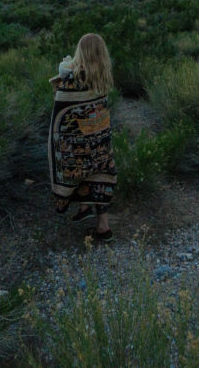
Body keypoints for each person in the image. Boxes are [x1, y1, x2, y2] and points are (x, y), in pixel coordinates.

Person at [47, 33, 116, 242]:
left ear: (81, 53)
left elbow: (60, 99)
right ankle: (98, 221)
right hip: (100, 142)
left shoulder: (72, 81)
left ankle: (97, 222)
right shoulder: (103, 79)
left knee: (78, 168)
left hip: (78, 144)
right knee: (98, 175)